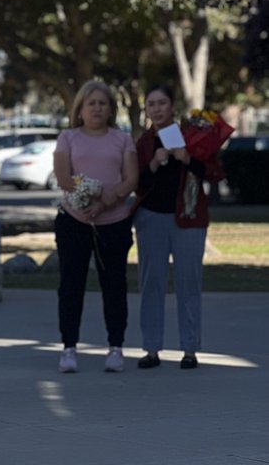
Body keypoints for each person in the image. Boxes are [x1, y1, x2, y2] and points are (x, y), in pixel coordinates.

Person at [52, 80, 138, 374]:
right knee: (71, 286)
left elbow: (130, 179)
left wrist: (104, 202)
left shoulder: (122, 139)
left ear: (111, 109)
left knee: (114, 285)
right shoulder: (68, 138)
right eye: (92, 103)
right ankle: (69, 349)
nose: (97, 108)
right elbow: (63, 176)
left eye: (103, 103)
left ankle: (116, 348)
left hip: (114, 223)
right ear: (80, 109)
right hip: (73, 221)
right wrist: (92, 194)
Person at [134, 85, 210, 370]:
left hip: (188, 220)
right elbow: (137, 182)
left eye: (161, 103)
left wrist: (187, 159)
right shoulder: (144, 143)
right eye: (151, 103)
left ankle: (189, 349)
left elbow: (213, 173)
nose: (156, 109)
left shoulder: (191, 137)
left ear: (171, 106)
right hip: (151, 219)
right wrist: (154, 163)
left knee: (188, 283)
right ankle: (151, 349)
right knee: (151, 283)